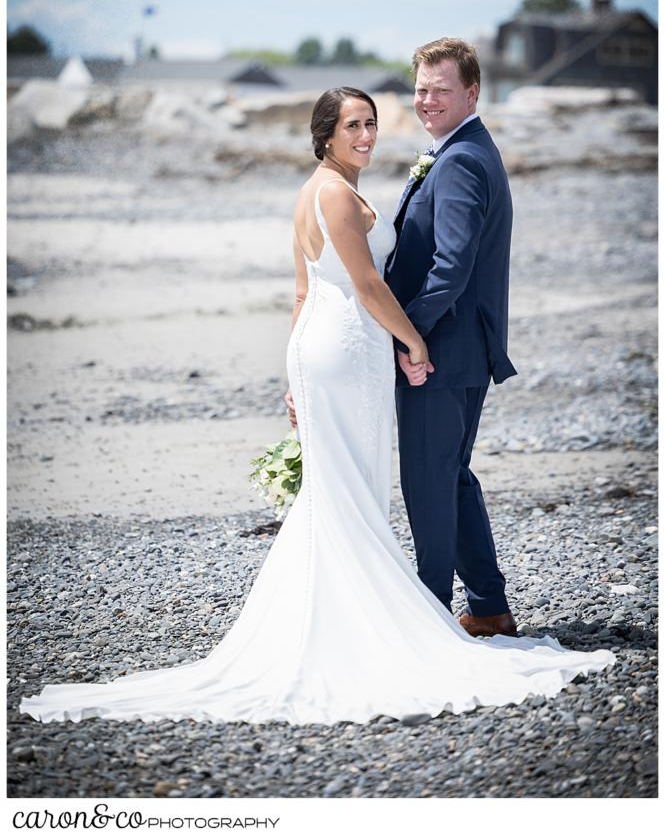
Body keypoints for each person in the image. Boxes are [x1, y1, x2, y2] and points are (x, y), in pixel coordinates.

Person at [20, 87, 613, 726]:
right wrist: (412, 340)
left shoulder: (315, 189)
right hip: (349, 349)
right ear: (325, 132)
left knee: (339, 487)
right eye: (353, 126)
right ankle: (358, 622)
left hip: (322, 348)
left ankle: (340, 611)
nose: (366, 135)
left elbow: (302, 293)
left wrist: (294, 370)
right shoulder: (333, 192)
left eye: (372, 124)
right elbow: (365, 284)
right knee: (350, 487)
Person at [385, 37, 518, 638]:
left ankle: (432, 616)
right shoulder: (461, 148)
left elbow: (452, 265)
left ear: (472, 92)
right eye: (420, 89)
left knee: (428, 481)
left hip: (441, 350)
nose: (427, 100)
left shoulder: (461, 159)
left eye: (441, 89)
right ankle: (488, 606)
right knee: (451, 474)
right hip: (462, 348)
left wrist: (408, 335)